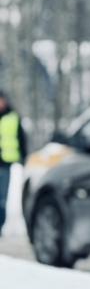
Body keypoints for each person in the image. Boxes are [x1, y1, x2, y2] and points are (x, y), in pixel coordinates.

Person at [0, 89, 26, 235]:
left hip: (5, 163)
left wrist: (24, 157)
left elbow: (22, 139)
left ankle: (0, 226)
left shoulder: (13, 117)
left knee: (2, 198)